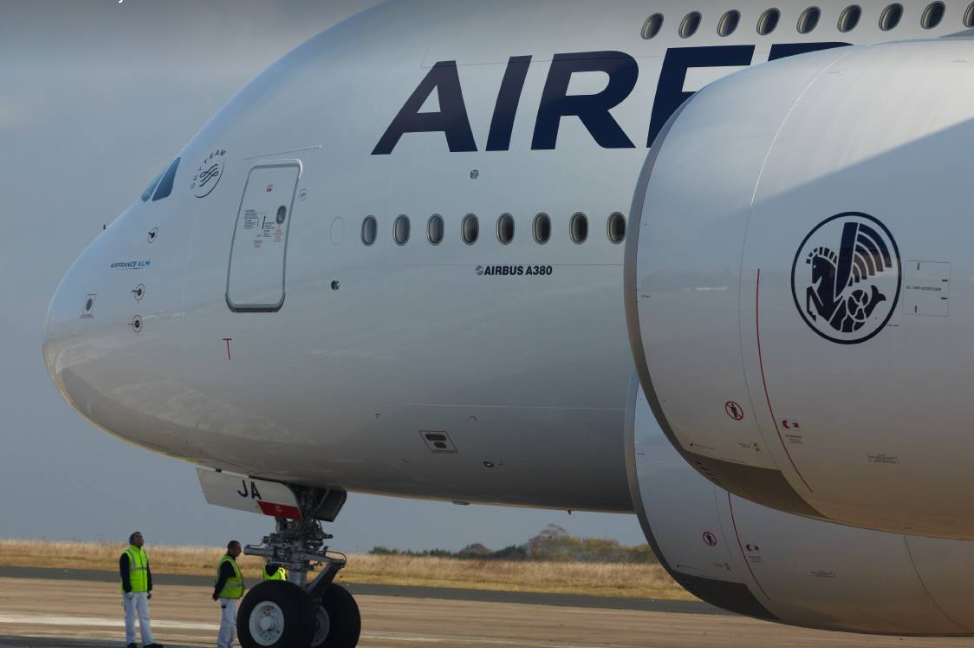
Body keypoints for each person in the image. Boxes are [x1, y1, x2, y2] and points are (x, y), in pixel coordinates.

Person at [119, 531, 163, 648]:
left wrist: (149, 588)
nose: (141, 539)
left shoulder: (144, 554)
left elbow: (147, 572)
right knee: (130, 617)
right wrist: (127, 590)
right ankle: (131, 642)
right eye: (137, 537)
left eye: (141, 537)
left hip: (143, 592)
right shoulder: (126, 555)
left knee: (145, 617)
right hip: (131, 593)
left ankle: (148, 642)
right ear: (132, 540)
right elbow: (124, 574)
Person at [213, 540, 245, 648]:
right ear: (231, 549)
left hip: (231, 598)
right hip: (226, 598)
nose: (240, 551)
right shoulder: (227, 562)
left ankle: (229, 644)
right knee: (228, 623)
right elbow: (222, 579)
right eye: (238, 549)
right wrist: (216, 593)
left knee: (232, 622)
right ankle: (222, 645)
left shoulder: (231, 561)